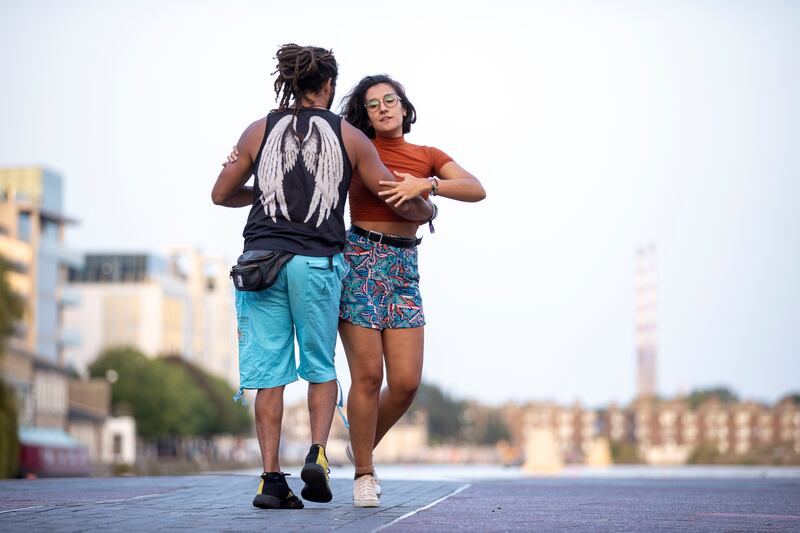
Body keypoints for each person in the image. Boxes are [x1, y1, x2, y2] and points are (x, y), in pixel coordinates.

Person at [212, 47, 433, 510]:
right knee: (320, 365)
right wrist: (428, 206)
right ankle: (318, 454)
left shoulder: (257, 131)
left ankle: (271, 480)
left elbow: (221, 194)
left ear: (291, 84)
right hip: (316, 262)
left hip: (260, 262)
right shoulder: (350, 136)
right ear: (329, 85)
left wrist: (266, 193)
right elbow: (389, 193)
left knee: (269, 377)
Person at [338, 74, 485, 507]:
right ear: (364, 114)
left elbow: (476, 188)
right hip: (360, 261)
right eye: (372, 104)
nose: (383, 108)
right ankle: (364, 473)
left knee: (404, 383)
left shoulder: (426, 155)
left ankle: (358, 446)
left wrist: (429, 184)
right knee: (367, 375)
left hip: (404, 267)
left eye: (390, 100)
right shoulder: (356, 149)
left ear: (404, 107)